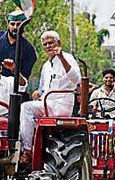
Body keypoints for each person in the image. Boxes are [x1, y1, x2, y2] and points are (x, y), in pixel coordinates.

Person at [18, 30, 81, 163]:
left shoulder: (67, 58)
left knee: (26, 108)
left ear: (59, 43)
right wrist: (38, 93)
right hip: (47, 103)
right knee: (24, 117)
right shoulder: (46, 66)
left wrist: (62, 58)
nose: (48, 46)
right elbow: (43, 88)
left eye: (51, 43)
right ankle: (30, 150)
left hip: (61, 104)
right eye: (45, 44)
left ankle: (27, 151)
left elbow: (76, 80)